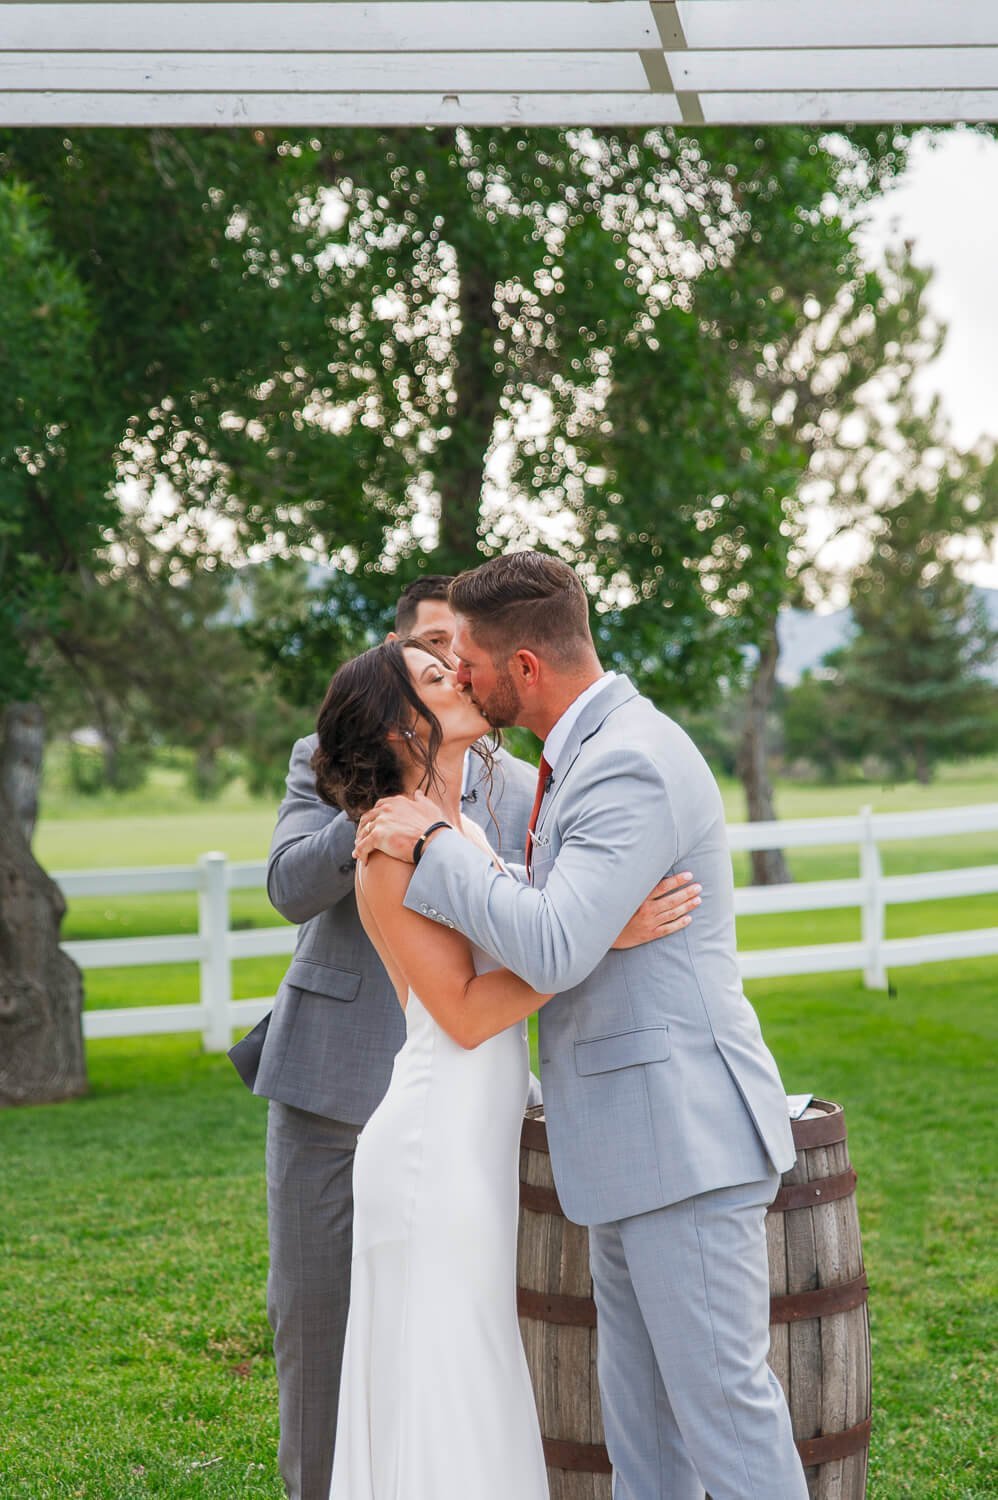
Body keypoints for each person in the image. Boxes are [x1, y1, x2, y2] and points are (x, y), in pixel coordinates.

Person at [229, 574, 697, 1500]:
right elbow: (306, 897)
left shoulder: (519, 784)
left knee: (460, 1357)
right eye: (438, 665)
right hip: (379, 1097)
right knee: (336, 1341)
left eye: (462, 660)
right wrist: (375, 814)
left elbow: (546, 911)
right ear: (398, 720)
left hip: (467, 1121)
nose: (461, 673)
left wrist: (595, 919)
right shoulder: (369, 818)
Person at [355, 551, 809, 1500]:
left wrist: (436, 845)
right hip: (623, 1143)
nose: (460, 673)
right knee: (643, 1432)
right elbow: (560, 921)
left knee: (722, 1419)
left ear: (524, 668)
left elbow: (555, 946)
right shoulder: (580, 755)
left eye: (466, 658)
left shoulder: (626, 761)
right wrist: (582, 921)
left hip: (680, 1137)